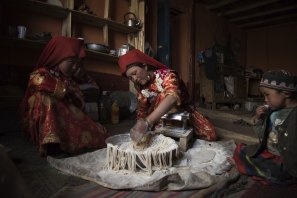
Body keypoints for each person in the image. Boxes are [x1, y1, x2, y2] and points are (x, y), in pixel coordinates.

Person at [20, 36, 109, 156]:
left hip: (66, 120)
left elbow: (78, 105)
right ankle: (52, 146)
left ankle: (66, 143)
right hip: (43, 117)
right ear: (57, 58)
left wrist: (77, 98)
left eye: (77, 64)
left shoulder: (67, 79)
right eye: (71, 62)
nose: (74, 67)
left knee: (101, 136)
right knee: (45, 97)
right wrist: (67, 90)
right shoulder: (42, 73)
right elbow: (38, 82)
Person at [118, 49, 216, 144]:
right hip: (161, 117)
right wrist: (139, 125)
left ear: (145, 66)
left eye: (134, 73)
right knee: (152, 139)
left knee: (211, 134)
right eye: (130, 77)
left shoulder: (168, 75)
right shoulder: (140, 87)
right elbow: (142, 110)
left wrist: (147, 122)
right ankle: (163, 127)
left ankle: (183, 126)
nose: (134, 79)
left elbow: (172, 97)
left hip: (183, 112)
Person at [233, 70, 297, 185]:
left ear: (286, 93)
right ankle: (268, 174)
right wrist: (259, 119)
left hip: (286, 161)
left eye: (267, 95)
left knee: (281, 171)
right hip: (269, 154)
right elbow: (262, 136)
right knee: (240, 150)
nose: (265, 100)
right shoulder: (273, 112)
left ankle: (270, 174)